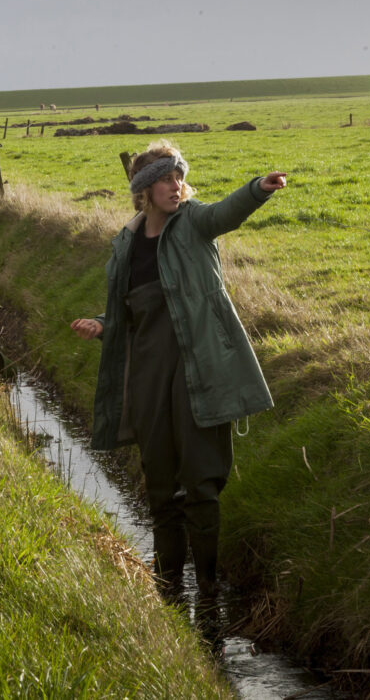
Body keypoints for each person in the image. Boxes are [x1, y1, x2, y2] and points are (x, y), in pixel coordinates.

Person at [70, 140, 286, 607]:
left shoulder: (194, 225)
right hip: (149, 380)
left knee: (202, 483)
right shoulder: (125, 247)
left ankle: (207, 594)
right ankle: (169, 592)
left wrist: (258, 190)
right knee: (161, 488)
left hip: (199, 373)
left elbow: (225, 213)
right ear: (144, 191)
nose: (176, 185)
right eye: (166, 179)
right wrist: (103, 326)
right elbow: (129, 317)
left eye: (179, 177)